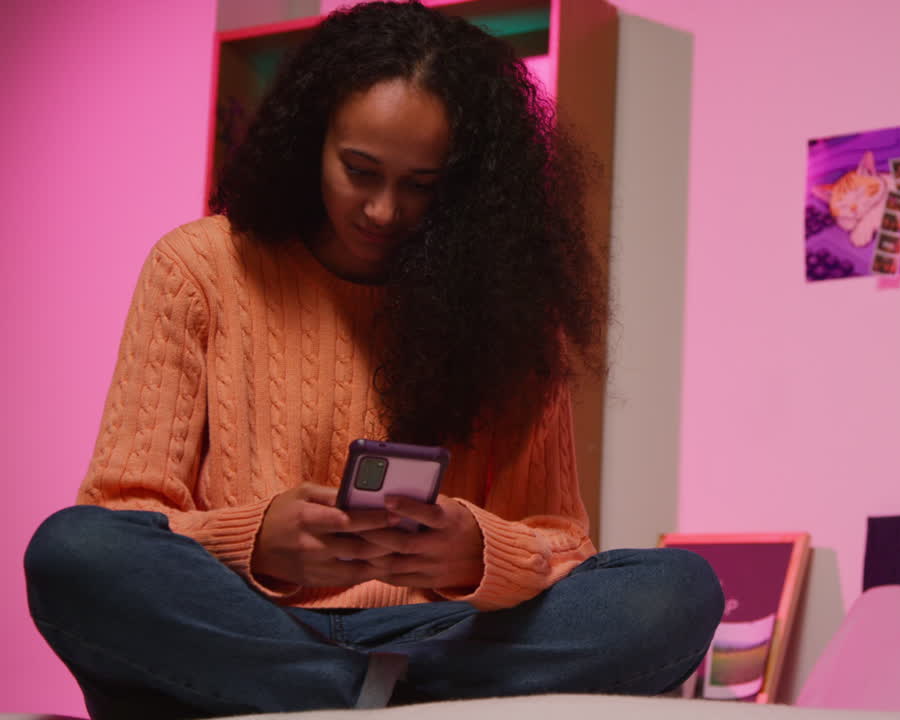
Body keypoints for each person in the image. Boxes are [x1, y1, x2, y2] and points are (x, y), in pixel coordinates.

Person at [22, 3, 724, 718]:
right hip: (249, 621)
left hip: (440, 638)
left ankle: (330, 698)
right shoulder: (198, 267)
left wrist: (475, 552)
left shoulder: (510, 306)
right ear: (310, 140)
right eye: (359, 171)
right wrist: (255, 541)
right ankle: (373, 701)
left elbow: (561, 541)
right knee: (73, 552)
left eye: (421, 184)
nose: (383, 211)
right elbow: (122, 514)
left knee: (676, 591)